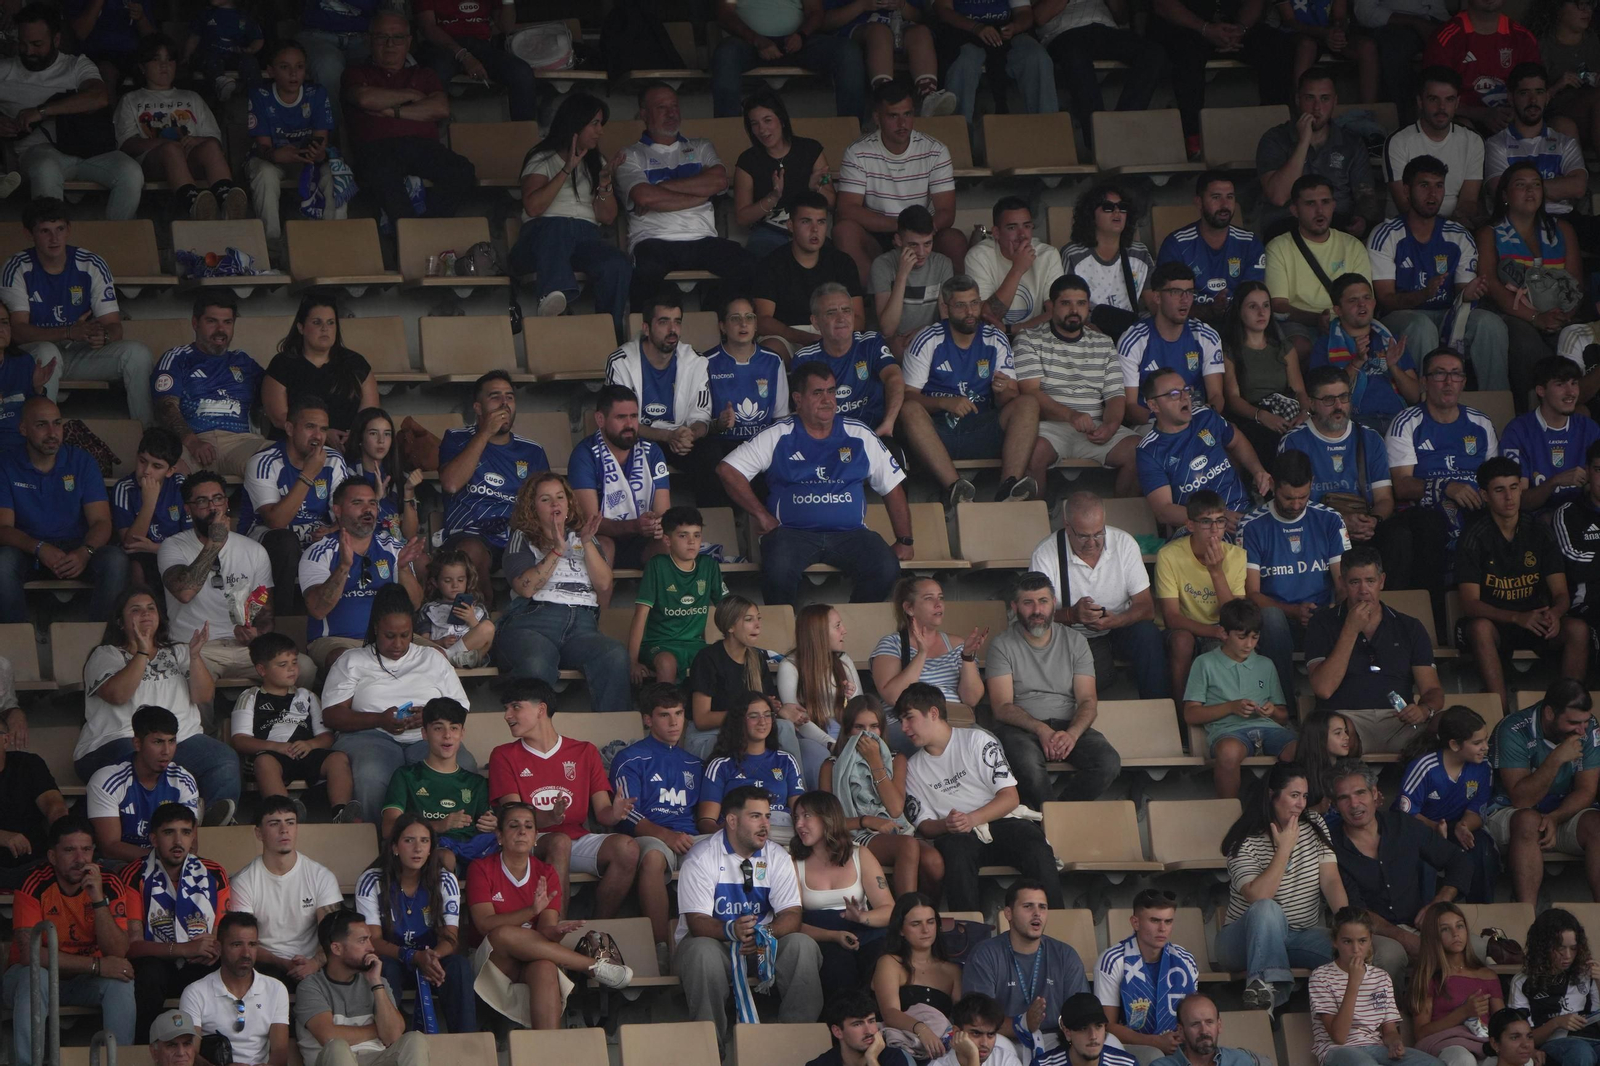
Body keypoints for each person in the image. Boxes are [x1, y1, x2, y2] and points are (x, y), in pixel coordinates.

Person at [720, 361, 913, 605]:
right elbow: (728, 470)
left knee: (886, 567)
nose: (827, 399)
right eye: (818, 392)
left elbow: (892, 486)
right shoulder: (779, 434)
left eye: (831, 391)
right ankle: (788, 636)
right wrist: (761, 515)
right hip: (792, 534)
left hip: (850, 534)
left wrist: (905, 540)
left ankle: (849, 629)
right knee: (777, 570)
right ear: (798, 400)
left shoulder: (859, 434)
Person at [674, 785, 824, 1049]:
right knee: (701, 953)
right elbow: (697, 923)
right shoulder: (701, 858)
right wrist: (733, 931)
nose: (765, 824)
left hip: (762, 945)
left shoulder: (776, 856)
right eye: (756, 816)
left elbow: (792, 914)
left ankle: (798, 1049)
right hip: (715, 945)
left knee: (802, 945)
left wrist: (763, 935)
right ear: (732, 820)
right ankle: (710, 1049)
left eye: (767, 816)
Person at [466, 801, 633, 1030]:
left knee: (545, 967)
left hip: (533, 957)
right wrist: (531, 911)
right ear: (499, 836)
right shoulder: (481, 868)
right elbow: (485, 925)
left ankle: (550, 1050)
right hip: (493, 960)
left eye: (528, 826)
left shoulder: (545, 872)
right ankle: (591, 966)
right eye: (513, 826)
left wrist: (555, 931)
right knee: (502, 933)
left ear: (536, 836)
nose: (522, 831)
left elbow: (545, 929)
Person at [74, 587, 241, 813]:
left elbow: (203, 696)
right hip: (118, 740)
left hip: (180, 740)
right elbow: (118, 695)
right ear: (120, 622)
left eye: (151, 608)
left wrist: (194, 657)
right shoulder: (106, 654)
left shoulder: (178, 652)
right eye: (136, 609)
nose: (145, 613)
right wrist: (142, 652)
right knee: (142, 755)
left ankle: (214, 825)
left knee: (223, 758)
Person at [900, 682, 1065, 910]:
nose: (903, 728)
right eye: (901, 721)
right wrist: (947, 824)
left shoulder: (977, 740)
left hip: (1002, 822)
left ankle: (1056, 924)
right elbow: (926, 825)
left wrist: (972, 819)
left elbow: (1010, 797)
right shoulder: (913, 767)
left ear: (933, 713)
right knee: (955, 852)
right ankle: (969, 933)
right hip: (958, 836)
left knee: (1034, 843)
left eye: (909, 718)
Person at [321, 586, 475, 824]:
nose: (398, 644)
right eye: (389, 636)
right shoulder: (352, 660)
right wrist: (379, 720)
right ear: (376, 629)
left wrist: (431, 716)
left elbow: (460, 708)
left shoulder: (432, 658)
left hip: (426, 737)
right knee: (372, 772)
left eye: (405, 635)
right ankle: (378, 843)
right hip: (369, 736)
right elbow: (332, 715)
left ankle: (448, 841)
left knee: (463, 763)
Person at [489, 678, 641, 918]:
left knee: (628, 848)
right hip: (530, 839)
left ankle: (599, 929)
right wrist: (550, 817)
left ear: (541, 709)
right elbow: (513, 817)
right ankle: (555, 928)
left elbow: (602, 812)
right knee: (560, 841)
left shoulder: (584, 751)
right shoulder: (503, 755)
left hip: (576, 838)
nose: (507, 715)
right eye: (506, 708)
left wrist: (614, 812)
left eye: (515, 706)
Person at [1326, 760, 1476, 984]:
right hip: (1370, 933)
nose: (1354, 804)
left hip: (1418, 924)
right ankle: (1390, 1019)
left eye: (1360, 793)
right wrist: (1401, 937)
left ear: (1375, 794)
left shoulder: (1402, 826)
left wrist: (1439, 902)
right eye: (1344, 798)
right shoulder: (1332, 845)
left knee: (1478, 948)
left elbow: (1458, 860)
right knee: (1390, 956)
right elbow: (1355, 909)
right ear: (1335, 805)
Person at [1, 198, 153, 420]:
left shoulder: (91, 263)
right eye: (45, 231)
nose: (54, 238)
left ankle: (150, 436)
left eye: (60, 229)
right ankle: (44, 432)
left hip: (81, 353)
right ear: (28, 234)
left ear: (69, 229)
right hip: (34, 355)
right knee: (47, 351)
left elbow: (114, 326)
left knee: (137, 354)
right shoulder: (17, 267)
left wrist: (103, 336)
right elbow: (16, 331)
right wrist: (69, 331)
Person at [1457, 456, 1589, 711]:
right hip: (1498, 622)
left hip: (1537, 620)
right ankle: (1501, 714)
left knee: (1578, 629)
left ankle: (1568, 712)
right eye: (1499, 490)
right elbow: (1470, 604)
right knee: (1479, 628)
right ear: (1484, 495)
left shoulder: (1539, 531)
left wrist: (1555, 613)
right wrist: (1517, 617)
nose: (1509, 497)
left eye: (1514, 487)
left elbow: (1561, 593)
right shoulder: (1474, 536)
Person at [159, 471, 313, 685]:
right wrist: (215, 543)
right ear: (188, 508)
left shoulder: (254, 550)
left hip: (246, 649)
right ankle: (202, 721)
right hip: (195, 647)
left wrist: (257, 633)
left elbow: (265, 613)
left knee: (304, 668)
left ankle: (279, 718)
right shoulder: (173, 546)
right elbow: (185, 591)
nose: (213, 507)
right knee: (190, 677)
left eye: (218, 499)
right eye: (202, 501)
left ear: (226, 503)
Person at [900, 274, 1044, 504]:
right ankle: (955, 489)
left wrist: (1003, 390)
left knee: (1028, 403)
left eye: (974, 303)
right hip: (938, 432)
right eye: (961, 305)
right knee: (909, 410)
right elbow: (907, 397)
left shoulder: (995, 338)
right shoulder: (928, 339)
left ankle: (1009, 487)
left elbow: (1011, 398)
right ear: (945, 308)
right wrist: (944, 402)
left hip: (983, 427)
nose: (970, 312)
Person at [3, 816, 135, 1065]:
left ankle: (120, 1062)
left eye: (86, 849)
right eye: (69, 850)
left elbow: (118, 951)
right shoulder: (33, 883)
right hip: (27, 981)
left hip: (83, 982)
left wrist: (98, 899)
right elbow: (30, 955)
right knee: (37, 976)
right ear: (52, 856)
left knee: (122, 980)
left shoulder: (108, 883)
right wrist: (96, 966)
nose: (80, 859)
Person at [494, 473, 632, 711]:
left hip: (582, 625)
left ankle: (616, 740)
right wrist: (557, 550)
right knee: (536, 663)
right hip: (534, 621)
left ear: (569, 504)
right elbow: (525, 588)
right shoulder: (522, 537)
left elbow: (604, 584)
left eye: (560, 497)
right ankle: (536, 736)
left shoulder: (584, 537)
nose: (555, 504)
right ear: (532, 507)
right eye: (546, 499)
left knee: (614, 655)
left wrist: (587, 542)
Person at [1215, 763, 1346, 1013]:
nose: (1301, 804)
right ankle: (1265, 994)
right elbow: (1258, 896)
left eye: (1305, 796)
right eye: (1294, 795)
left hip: (1298, 935)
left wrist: (1347, 923)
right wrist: (1284, 847)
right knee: (1267, 908)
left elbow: (1330, 880)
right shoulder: (1243, 840)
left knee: (1354, 950)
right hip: (1241, 941)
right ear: (1271, 795)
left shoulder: (1315, 823)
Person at [1369, 157, 1505, 394]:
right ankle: (1424, 405)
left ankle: (1494, 404)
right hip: (1402, 316)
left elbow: (1462, 292)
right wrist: (1422, 295)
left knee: (1489, 323)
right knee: (1421, 326)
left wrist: (1469, 293)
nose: (1432, 194)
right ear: (1406, 190)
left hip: (1448, 314)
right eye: (1424, 185)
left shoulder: (1458, 235)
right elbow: (1385, 299)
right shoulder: (1386, 234)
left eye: (1439, 185)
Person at [986, 571, 1121, 807]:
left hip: (1068, 724)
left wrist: (1072, 734)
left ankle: (1058, 815)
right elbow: (1001, 707)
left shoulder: (1075, 641)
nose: (1037, 610)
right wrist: (1041, 729)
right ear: (1015, 606)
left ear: (1054, 604)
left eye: (1043, 601)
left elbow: (1088, 700)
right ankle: (1050, 824)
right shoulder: (1002, 644)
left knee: (1108, 762)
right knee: (1028, 765)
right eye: (1028, 603)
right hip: (1021, 728)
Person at [617, 83, 757, 308]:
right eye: (662, 107)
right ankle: (648, 338)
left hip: (702, 238)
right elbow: (644, 197)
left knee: (748, 266)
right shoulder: (630, 154)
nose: (671, 113)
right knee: (645, 275)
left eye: (674, 106)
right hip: (653, 239)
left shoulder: (701, 146)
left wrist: (661, 187)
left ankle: (715, 320)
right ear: (643, 114)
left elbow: (720, 181)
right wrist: (700, 195)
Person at [0, 5, 145, 219]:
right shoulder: (4, 70)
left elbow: (99, 96)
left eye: (37, 44)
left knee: (131, 173)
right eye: (23, 44)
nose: (28, 51)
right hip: (37, 152)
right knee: (45, 168)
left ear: (56, 40)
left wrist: (42, 111)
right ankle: (54, 244)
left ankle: (113, 244)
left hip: (88, 150)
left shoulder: (76, 65)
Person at [1304, 546, 1447, 752]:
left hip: (1399, 722)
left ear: (1381, 581)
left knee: (1452, 724)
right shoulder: (1322, 623)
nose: (1363, 590)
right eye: (1354, 582)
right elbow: (1323, 688)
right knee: (1326, 729)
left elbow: (1433, 691)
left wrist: (1424, 710)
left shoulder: (1409, 626)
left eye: (1370, 581)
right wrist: (1350, 630)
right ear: (1343, 583)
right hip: (1346, 721)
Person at [0, 396, 129, 624]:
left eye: (57, 423)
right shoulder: (6, 464)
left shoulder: (81, 461)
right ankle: (17, 644)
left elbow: (101, 522)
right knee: (3, 562)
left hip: (76, 548)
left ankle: (103, 643)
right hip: (28, 550)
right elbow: (3, 528)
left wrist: (85, 552)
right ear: (23, 429)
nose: (52, 432)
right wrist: (39, 548)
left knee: (115, 559)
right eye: (41, 425)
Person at [1028, 492, 1168, 698]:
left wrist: (1118, 620)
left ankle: (1159, 707)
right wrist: (1071, 615)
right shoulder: (1046, 553)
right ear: (1067, 527)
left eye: (1098, 533)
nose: (1092, 543)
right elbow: (1033, 616)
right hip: (1072, 634)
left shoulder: (1124, 543)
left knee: (1148, 635)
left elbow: (1146, 607)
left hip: (1119, 627)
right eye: (1083, 536)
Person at [340, 13, 475, 225]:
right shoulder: (355, 73)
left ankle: (428, 228)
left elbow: (440, 108)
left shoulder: (425, 75)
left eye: (398, 38)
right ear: (368, 40)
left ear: (409, 42)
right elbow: (365, 98)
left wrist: (390, 111)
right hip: (376, 149)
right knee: (383, 173)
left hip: (423, 148)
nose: (390, 44)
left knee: (462, 170)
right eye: (381, 37)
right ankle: (408, 234)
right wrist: (412, 96)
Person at [1239, 449, 1351, 703]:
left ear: (1312, 483)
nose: (1297, 505)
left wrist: (1334, 609)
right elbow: (1251, 593)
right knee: (1271, 618)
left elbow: (1343, 584)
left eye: (1303, 497)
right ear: (1274, 485)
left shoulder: (1330, 520)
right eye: (1289, 498)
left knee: (1352, 609)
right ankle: (1284, 707)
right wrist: (1292, 611)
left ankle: (1342, 707)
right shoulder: (1252, 526)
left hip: (1322, 615)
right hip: (1278, 621)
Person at [512, 95, 629, 334]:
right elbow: (533, 207)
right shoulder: (541, 158)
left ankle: (610, 333)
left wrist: (605, 182)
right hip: (541, 237)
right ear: (576, 124)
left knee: (617, 264)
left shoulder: (597, 162)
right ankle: (553, 300)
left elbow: (607, 217)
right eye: (594, 124)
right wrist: (567, 169)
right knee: (558, 227)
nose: (600, 131)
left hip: (585, 238)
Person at [1014, 276, 1140, 495]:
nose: (1074, 310)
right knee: (1031, 452)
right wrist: (1071, 415)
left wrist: (1110, 426)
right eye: (1066, 303)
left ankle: (1123, 518)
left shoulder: (1103, 342)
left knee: (1142, 451)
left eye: (1081, 303)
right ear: (1050, 306)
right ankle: (1035, 518)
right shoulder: (1029, 338)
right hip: (1049, 427)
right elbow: (1030, 392)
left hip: (1096, 426)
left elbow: (1115, 396)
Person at [611, 684, 709, 966]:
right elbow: (626, 813)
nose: (674, 722)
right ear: (647, 719)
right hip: (649, 834)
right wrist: (665, 834)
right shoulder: (630, 758)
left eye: (679, 713)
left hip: (689, 837)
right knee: (654, 857)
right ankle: (661, 947)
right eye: (664, 715)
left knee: (723, 852)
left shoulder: (694, 763)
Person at [118, 801, 230, 1042]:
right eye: (169, 832)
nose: (178, 841)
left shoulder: (214, 873)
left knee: (223, 967)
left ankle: (213, 1050)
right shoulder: (134, 874)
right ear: (154, 839)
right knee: (148, 974)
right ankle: (144, 1050)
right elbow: (132, 945)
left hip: (199, 962)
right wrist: (182, 948)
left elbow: (224, 932)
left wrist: (215, 948)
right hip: (156, 965)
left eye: (186, 832)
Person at [436, 370, 550, 608]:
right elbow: (451, 483)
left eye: (509, 397)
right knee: (471, 551)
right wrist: (485, 433)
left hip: (517, 534)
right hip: (471, 533)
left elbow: (546, 502)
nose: (504, 403)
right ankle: (481, 624)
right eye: (495, 397)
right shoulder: (456, 438)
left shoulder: (533, 451)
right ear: (477, 408)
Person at [833, 81, 965, 285]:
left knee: (954, 240)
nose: (902, 123)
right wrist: (901, 228)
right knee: (844, 231)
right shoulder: (858, 152)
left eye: (908, 114)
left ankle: (954, 306)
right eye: (893, 116)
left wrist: (916, 233)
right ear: (877, 118)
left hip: (923, 232)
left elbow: (947, 212)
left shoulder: (935, 150)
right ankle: (876, 301)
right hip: (879, 234)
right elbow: (847, 210)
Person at [354, 814, 474, 1036]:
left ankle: (466, 1046)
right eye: (409, 840)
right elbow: (372, 941)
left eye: (425, 841)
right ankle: (388, 1043)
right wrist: (412, 956)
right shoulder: (372, 881)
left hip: (432, 958)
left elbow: (451, 937)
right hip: (394, 957)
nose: (418, 848)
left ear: (431, 849)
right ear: (395, 847)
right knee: (384, 968)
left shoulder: (445, 880)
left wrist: (432, 958)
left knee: (459, 966)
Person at [1483, 678, 1600, 903]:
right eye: (1574, 723)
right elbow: (1521, 798)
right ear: (1548, 713)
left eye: (1586, 722)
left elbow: (1587, 790)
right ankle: (1527, 919)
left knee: (1597, 824)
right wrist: (1556, 758)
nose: (1583, 731)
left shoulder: (1590, 728)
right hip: (1509, 811)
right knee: (1528, 820)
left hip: (1560, 811)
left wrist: (1556, 817)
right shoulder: (1513, 728)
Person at [820, 697, 943, 897]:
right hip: (854, 834)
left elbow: (895, 809)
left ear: (882, 729)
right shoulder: (831, 766)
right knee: (908, 846)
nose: (867, 734)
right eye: (859, 727)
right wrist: (868, 821)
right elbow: (827, 823)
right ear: (847, 730)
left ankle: (925, 918)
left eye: (874, 726)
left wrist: (876, 761)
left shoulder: (896, 759)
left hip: (894, 829)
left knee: (933, 861)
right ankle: (905, 917)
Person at [298, 479, 425, 670]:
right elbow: (317, 609)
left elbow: (414, 604)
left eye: (372, 503)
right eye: (357, 503)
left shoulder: (394, 549)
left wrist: (404, 569)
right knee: (345, 660)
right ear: (338, 510)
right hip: (338, 641)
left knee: (437, 655)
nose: (367, 509)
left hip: (392, 640)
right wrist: (344, 566)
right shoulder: (319, 552)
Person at [605, 294, 719, 504]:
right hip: (636, 439)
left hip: (677, 439)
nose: (672, 330)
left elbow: (701, 417)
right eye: (663, 322)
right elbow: (620, 422)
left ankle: (704, 529)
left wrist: (688, 434)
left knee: (712, 455)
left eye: (677, 322)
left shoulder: (695, 361)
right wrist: (668, 436)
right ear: (646, 328)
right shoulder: (621, 361)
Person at [1386, 347, 1500, 558]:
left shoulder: (1481, 422)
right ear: (1423, 382)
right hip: (1425, 512)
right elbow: (1401, 486)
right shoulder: (1407, 422)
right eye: (1439, 374)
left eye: (1456, 374)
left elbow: (1495, 478)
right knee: (1431, 525)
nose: (1449, 382)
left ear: (1464, 382)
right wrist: (1446, 487)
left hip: (1476, 506)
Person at [1477, 161, 1581, 386]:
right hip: (1513, 316)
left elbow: (1575, 284)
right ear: (1505, 194)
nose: (1530, 190)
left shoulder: (1562, 229)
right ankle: (1530, 410)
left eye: (1536, 184)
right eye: (1521, 184)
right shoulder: (1489, 233)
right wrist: (1535, 318)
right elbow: (1492, 286)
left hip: (1559, 314)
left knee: (1578, 338)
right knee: (1525, 341)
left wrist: (1562, 316)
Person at [115, 35, 241, 220]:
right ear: (142, 67)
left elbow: (214, 140)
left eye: (170, 60)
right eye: (156, 60)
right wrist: (164, 143)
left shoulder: (192, 97)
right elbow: (126, 144)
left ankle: (227, 202)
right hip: (153, 164)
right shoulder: (131, 100)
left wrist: (197, 140)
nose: (164, 65)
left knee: (211, 148)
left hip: (191, 158)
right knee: (171, 149)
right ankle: (194, 205)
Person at [242, 395, 351, 607]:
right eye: (310, 427)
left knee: (346, 538)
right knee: (286, 542)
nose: (318, 436)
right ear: (290, 429)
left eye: (323, 429)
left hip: (317, 538)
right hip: (270, 542)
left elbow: (347, 512)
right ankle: (282, 624)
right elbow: (276, 521)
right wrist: (309, 474)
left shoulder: (333, 460)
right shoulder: (264, 462)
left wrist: (332, 530)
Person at [1147, 0, 1291, 157]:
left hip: (1231, 30)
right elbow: (1163, 5)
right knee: (1187, 52)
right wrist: (1206, 29)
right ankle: (1192, 137)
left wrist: (1240, 29)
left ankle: (1275, 134)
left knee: (1277, 47)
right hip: (1184, 26)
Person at [1182, 600, 1296, 800]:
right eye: (1242, 637)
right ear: (1224, 634)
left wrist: (1272, 711)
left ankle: (1292, 813)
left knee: (1302, 750)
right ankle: (1229, 814)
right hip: (1228, 732)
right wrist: (1230, 707)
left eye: (1255, 637)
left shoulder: (1265, 664)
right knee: (1228, 753)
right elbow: (1190, 714)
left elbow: (1283, 715)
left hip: (1270, 729)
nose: (1249, 644)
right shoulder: (1205, 663)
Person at [228, 797, 345, 987]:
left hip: (313, 964)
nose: (284, 830)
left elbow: (333, 934)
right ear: (259, 833)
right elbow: (242, 942)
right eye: (274, 824)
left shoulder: (321, 876)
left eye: (290, 822)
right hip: (263, 964)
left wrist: (315, 963)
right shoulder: (243, 881)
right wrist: (282, 962)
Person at [963, 880, 1089, 1054]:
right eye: (1028, 906)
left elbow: (1082, 1012)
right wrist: (1022, 1024)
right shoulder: (985, 954)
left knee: (1104, 1041)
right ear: (1008, 913)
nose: (1037, 913)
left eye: (1042, 907)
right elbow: (978, 1020)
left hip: (1056, 1038)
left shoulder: (1065, 954)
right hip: (1004, 1041)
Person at [233, 631, 352, 812]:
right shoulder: (250, 696)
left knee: (338, 758)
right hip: (272, 755)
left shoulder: (308, 696)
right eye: (283, 664)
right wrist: (276, 747)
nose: (292, 669)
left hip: (305, 752)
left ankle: (341, 812)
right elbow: (240, 740)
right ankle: (286, 813)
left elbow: (326, 736)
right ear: (262, 669)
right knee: (264, 763)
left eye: (295, 662)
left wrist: (310, 744)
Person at [293, 909, 430, 1066]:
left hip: (376, 1059)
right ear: (336, 948)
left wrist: (376, 983)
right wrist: (378, 1029)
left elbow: (393, 1035)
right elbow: (328, 1036)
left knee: (414, 1039)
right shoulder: (311, 987)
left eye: (370, 940)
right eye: (362, 940)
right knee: (337, 1046)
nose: (371, 948)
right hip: (334, 1060)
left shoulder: (378, 981)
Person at [1136, 370, 1272, 528]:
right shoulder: (1149, 450)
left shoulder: (1206, 416)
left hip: (1244, 512)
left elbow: (1237, 441)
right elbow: (1164, 511)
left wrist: (1257, 470)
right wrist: (1214, 518)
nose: (1185, 397)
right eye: (1174, 394)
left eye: (1186, 390)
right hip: (1201, 529)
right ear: (1153, 405)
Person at [153, 293, 269, 479]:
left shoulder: (244, 361)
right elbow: (165, 406)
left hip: (241, 443)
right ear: (195, 323)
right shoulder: (178, 357)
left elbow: (277, 394)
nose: (220, 330)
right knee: (162, 471)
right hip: (191, 443)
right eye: (212, 321)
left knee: (279, 462)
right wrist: (192, 442)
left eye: (228, 322)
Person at [1258, 68, 1383, 238]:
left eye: (1325, 99)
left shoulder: (1350, 143)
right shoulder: (1275, 139)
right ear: (1297, 99)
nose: (1317, 108)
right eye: (1310, 98)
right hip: (1287, 226)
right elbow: (1278, 196)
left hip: (1337, 225)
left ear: (1335, 101)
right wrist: (1303, 142)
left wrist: (1363, 219)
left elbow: (1366, 194)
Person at [792, 789, 896, 991]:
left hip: (863, 930)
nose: (798, 825)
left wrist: (862, 918)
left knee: (881, 961)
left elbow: (889, 910)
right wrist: (833, 935)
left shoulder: (860, 854)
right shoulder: (794, 863)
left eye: (806, 816)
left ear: (828, 818)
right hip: (820, 935)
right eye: (796, 817)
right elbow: (789, 921)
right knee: (839, 969)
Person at [1309, 907, 1443, 1065]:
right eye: (1347, 941)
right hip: (1337, 1051)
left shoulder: (1381, 977)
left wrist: (1395, 1043)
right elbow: (1339, 1037)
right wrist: (1353, 983)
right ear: (1335, 942)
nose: (1356, 949)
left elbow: (1389, 1031)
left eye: (1362, 941)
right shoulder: (1321, 976)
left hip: (1375, 1048)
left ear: (1370, 940)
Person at [1394, 706, 1496, 903]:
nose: (1486, 747)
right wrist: (1434, 828)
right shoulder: (1425, 767)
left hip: (1455, 826)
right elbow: (1405, 814)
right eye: (1477, 742)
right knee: (1423, 859)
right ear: (1455, 745)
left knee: (1482, 848)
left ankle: (1481, 909)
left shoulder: (1483, 767)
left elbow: (1477, 809)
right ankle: (1427, 912)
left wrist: (1463, 826)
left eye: (1486, 739)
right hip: (1421, 828)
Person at [1264, 176, 1375, 356]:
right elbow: (1278, 305)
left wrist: (1338, 321)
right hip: (1299, 324)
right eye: (1310, 204)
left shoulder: (1353, 245)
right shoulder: (1278, 247)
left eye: (1325, 202)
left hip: (1347, 320)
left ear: (1334, 205)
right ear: (1295, 210)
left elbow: (1365, 296)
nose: (1319, 210)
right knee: (1299, 345)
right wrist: (1317, 319)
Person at [1154, 492, 1249, 703]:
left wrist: (1216, 572)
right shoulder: (1169, 555)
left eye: (1220, 521)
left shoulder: (1237, 556)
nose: (1215, 530)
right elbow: (1171, 617)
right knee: (1182, 641)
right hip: (1183, 628)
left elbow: (1236, 615)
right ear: (1190, 525)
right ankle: (1180, 712)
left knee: (1225, 648)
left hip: (1221, 626)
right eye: (1206, 522)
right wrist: (1212, 631)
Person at [380, 697, 494, 869]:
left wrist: (493, 824)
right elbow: (389, 828)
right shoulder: (406, 777)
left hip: (469, 856)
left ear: (462, 733)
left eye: (454, 728)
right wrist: (439, 826)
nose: (447, 735)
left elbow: (486, 825)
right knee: (444, 856)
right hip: (426, 855)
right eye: (438, 728)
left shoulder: (475, 783)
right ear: (424, 733)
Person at [569, 384, 672, 573]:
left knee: (668, 544)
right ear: (600, 419)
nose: (629, 425)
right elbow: (590, 522)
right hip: (603, 537)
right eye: (621, 417)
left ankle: (665, 603)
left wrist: (656, 525)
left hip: (643, 539)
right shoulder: (584, 455)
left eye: (633, 416)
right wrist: (634, 526)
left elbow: (664, 512)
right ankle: (600, 604)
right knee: (603, 546)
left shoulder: (652, 451)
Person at [248, 41, 340, 242]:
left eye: (299, 67)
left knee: (335, 173)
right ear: (271, 71)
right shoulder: (261, 95)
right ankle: (270, 243)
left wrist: (317, 153)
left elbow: (322, 143)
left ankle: (334, 240)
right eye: (284, 67)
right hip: (273, 160)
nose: (293, 73)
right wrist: (275, 154)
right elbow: (262, 146)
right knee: (265, 174)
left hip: (306, 161)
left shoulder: (315, 93)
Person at [1036, 0, 1164, 145]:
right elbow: (1040, 17)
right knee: (1075, 56)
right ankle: (1098, 139)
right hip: (1064, 32)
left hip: (1104, 29)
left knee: (1153, 53)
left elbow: (1122, 17)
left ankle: (1122, 127)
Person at [87, 705, 202, 865]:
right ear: (137, 743)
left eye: (172, 741)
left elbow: (190, 844)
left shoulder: (183, 780)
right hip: (121, 864)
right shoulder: (107, 780)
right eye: (158, 742)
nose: (167, 751)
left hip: (169, 863)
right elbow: (110, 847)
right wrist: (162, 859)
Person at [712, 0, 866, 119]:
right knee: (726, 53)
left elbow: (815, 11)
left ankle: (852, 133)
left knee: (847, 51)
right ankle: (727, 131)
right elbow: (725, 14)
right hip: (749, 42)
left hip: (797, 42)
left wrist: (802, 35)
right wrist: (756, 39)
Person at [755, 193, 865, 357]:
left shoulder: (842, 262)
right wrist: (804, 338)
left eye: (821, 222)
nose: (815, 229)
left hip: (834, 332)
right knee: (769, 350)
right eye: (806, 221)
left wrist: (831, 335)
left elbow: (859, 319)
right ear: (790, 225)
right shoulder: (771, 263)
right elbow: (763, 320)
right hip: (788, 336)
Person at [262, 294, 379, 444]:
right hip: (294, 450)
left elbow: (369, 415)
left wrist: (354, 436)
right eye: (317, 322)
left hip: (346, 448)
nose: (325, 328)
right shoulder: (282, 364)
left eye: (331, 323)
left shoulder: (356, 364)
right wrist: (322, 434)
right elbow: (279, 417)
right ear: (301, 327)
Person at [687, 595, 794, 759]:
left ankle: (791, 783)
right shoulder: (708, 658)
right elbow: (702, 719)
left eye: (758, 619)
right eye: (749, 620)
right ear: (730, 626)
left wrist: (778, 708)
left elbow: (766, 707)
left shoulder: (757, 658)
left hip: (747, 728)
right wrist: (745, 712)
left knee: (785, 727)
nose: (757, 625)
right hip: (710, 735)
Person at [179, 912, 292, 1066]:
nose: (246, 953)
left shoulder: (276, 989)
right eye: (237, 945)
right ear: (219, 947)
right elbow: (191, 1054)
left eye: (252, 944)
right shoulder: (195, 993)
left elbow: (280, 1053)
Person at [794, 283, 906, 439]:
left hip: (875, 433)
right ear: (815, 322)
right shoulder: (805, 358)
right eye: (831, 313)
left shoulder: (871, 342)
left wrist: (888, 422)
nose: (841, 318)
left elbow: (894, 377)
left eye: (846, 310)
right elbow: (802, 410)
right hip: (827, 439)